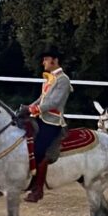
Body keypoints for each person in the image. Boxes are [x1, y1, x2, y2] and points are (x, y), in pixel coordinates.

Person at [23, 49, 72, 203]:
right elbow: (42, 99)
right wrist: (28, 107)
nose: (43, 62)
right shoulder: (50, 79)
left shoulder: (63, 80)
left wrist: (34, 109)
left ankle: (38, 189)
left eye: (45, 59)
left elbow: (55, 102)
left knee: (39, 150)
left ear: (55, 60)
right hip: (40, 118)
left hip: (52, 121)